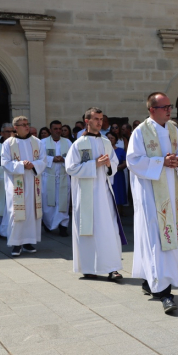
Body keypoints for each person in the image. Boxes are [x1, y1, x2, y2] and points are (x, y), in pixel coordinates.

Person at [127, 92, 178, 314]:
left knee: (166, 237)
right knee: (156, 239)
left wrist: (177, 161)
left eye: (169, 106)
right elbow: (133, 161)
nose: (169, 110)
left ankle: (151, 280)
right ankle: (164, 291)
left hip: (172, 194)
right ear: (152, 109)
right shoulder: (141, 132)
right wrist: (160, 162)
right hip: (151, 196)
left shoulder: (173, 130)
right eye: (164, 107)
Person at [65, 107, 126, 280]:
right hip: (86, 196)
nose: (100, 122)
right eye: (96, 119)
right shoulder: (78, 144)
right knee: (89, 231)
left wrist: (108, 165)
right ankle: (89, 267)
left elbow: (114, 164)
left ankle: (112, 268)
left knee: (109, 230)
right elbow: (70, 168)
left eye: (101, 119)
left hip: (104, 194)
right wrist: (94, 164)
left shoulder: (106, 142)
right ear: (87, 121)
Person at [1, 116, 47, 256]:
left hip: (33, 183)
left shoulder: (37, 142)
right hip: (17, 185)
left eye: (27, 124)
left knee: (31, 213)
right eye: (23, 125)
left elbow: (43, 160)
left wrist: (33, 165)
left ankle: (28, 241)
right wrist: (21, 165)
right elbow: (5, 162)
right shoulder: (8, 143)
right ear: (16, 128)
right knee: (16, 213)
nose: (27, 127)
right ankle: (16, 243)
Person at [41, 120, 72, 237]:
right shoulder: (43, 142)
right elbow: (40, 158)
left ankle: (63, 226)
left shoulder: (68, 142)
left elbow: (72, 157)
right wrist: (51, 159)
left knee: (63, 203)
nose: (58, 131)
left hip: (63, 177)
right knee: (48, 204)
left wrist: (64, 159)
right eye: (55, 129)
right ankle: (48, 223)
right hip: (48, 177)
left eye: (60, 128)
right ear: (50, 130)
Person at [106, 131, 128, 215]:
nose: (110, 140)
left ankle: (119, 213)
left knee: (118, 193)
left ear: (116, 140)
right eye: (108, 138)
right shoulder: (102, 150)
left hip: (118, 175)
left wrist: (116, 168)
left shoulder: (121, 150)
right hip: (106, 175)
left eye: (112, 138)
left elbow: (126, 162)